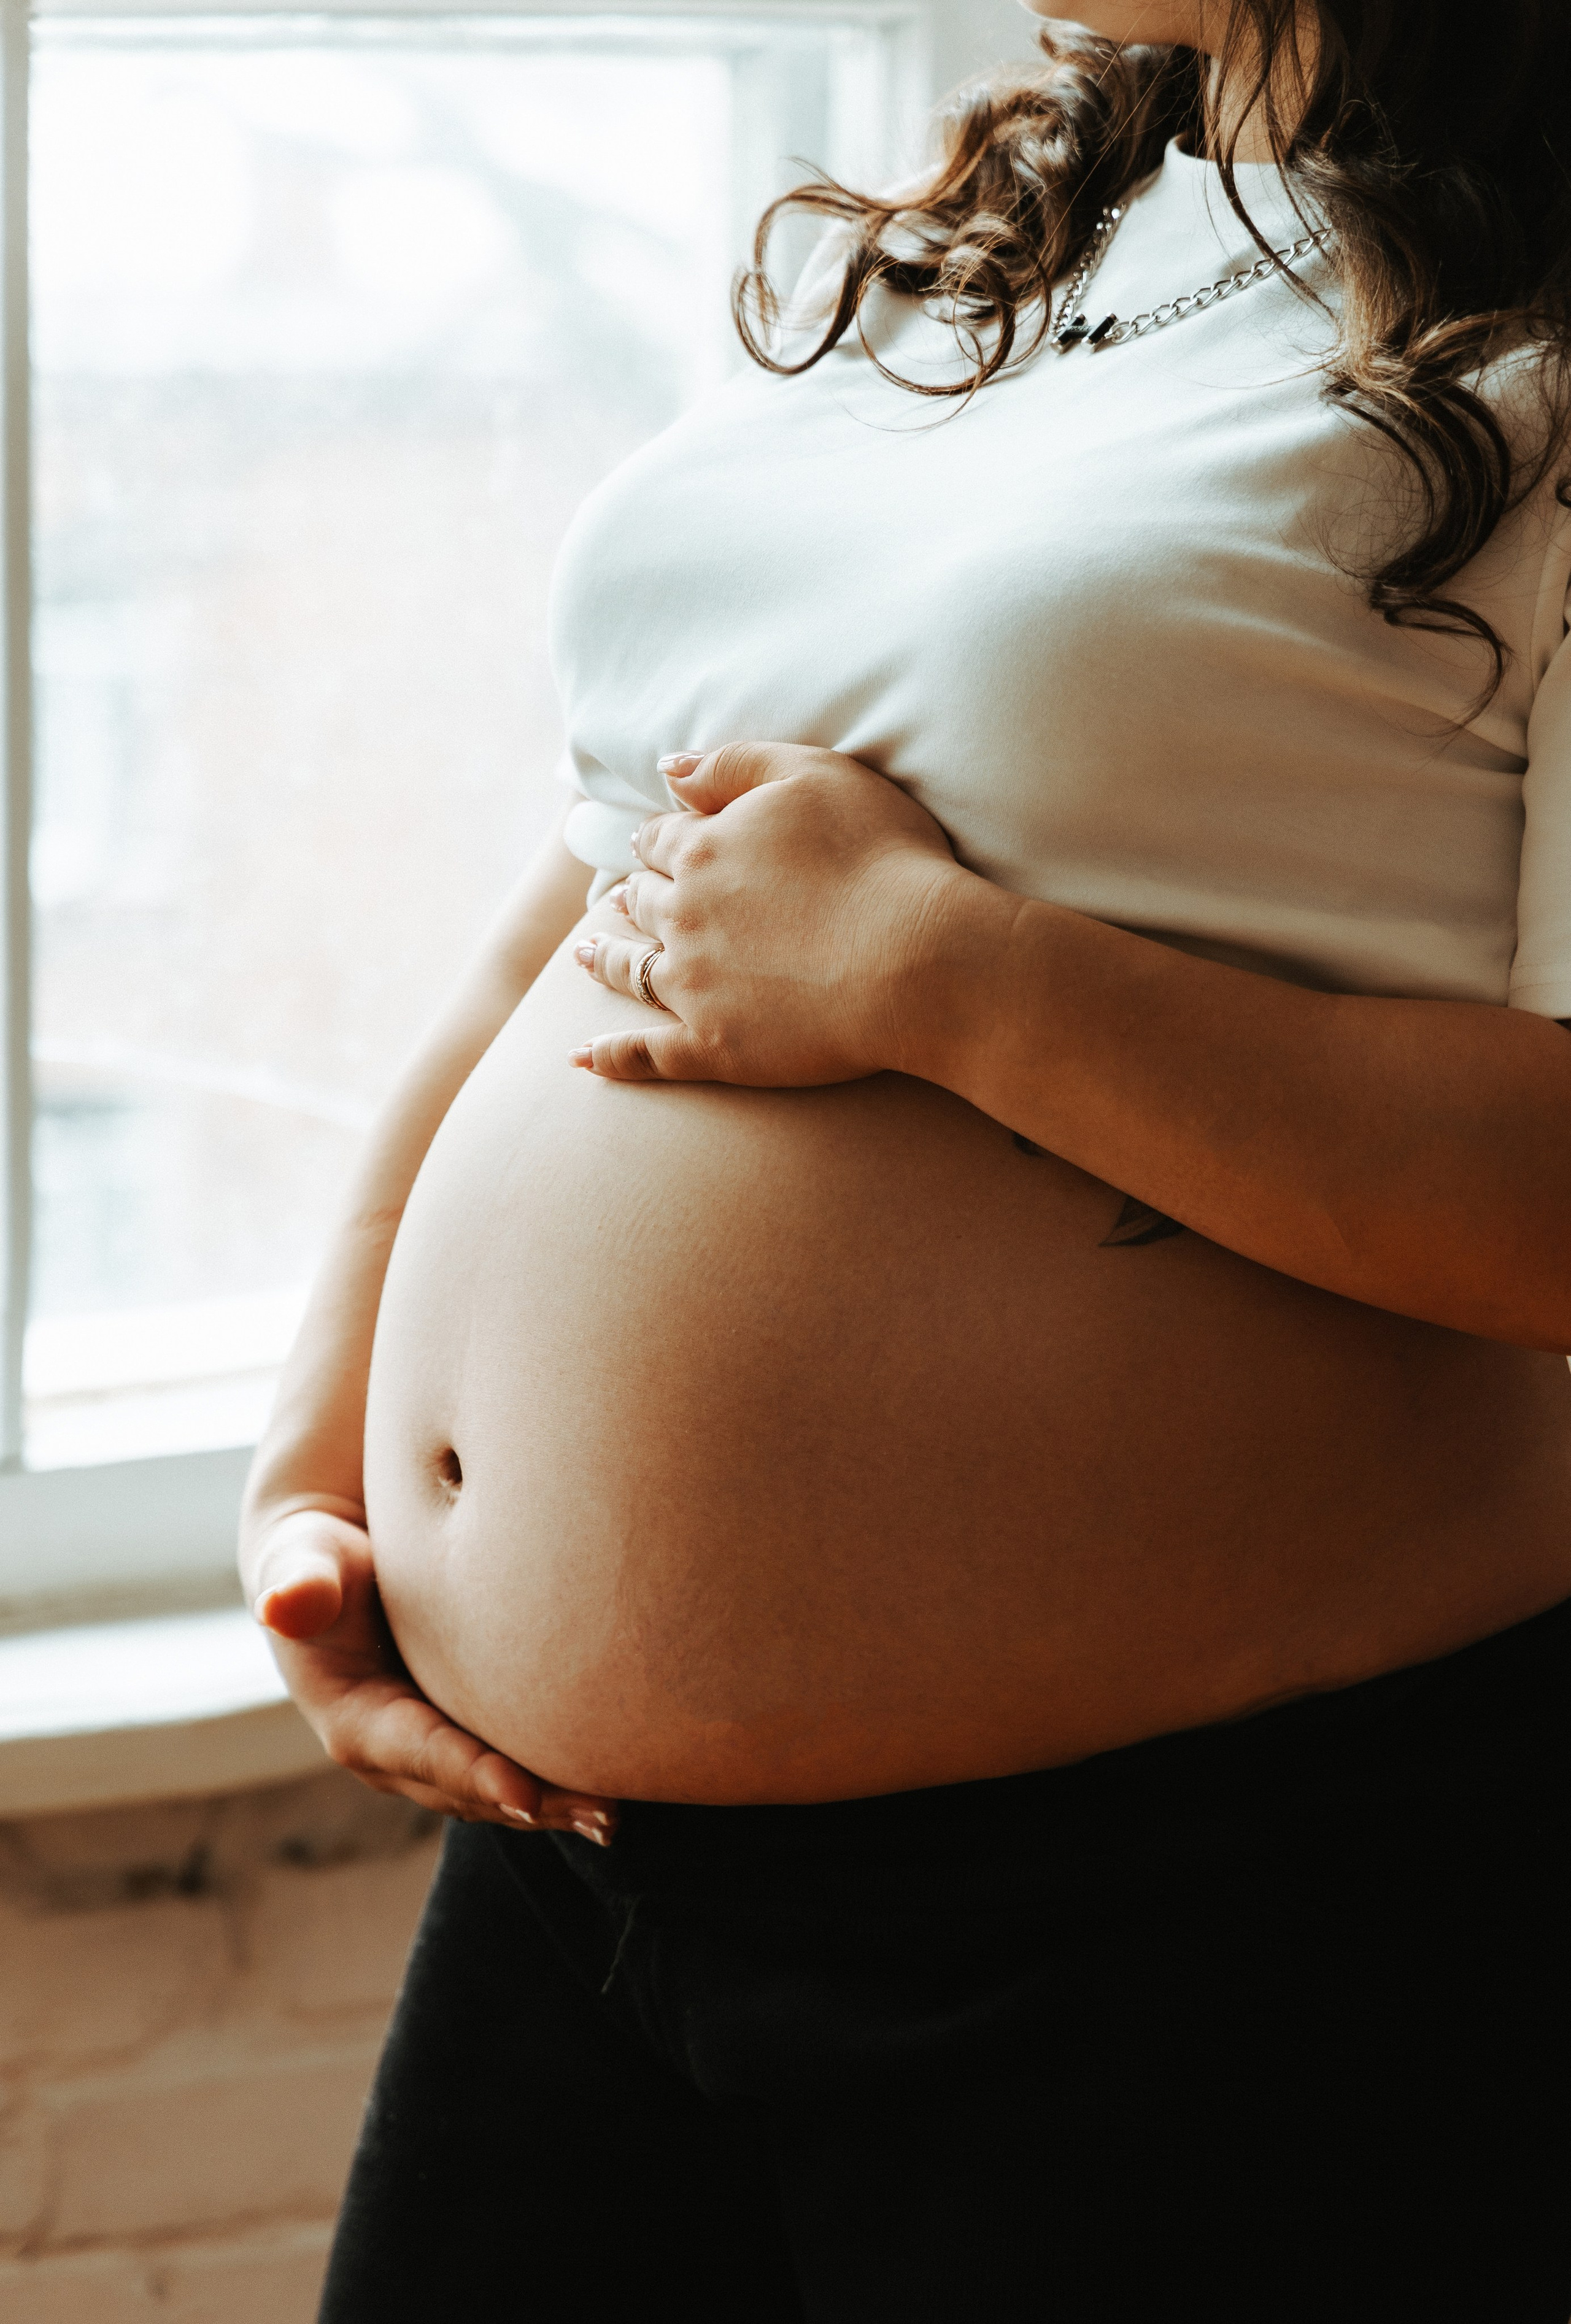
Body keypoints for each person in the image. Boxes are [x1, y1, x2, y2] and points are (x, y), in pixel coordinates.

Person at [241, 4, 1571, 2315]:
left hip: (1197, 1917)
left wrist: (953, 980)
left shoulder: (1531, 339)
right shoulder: (1021, 235)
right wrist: (328, 1458)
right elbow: (604, 895)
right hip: (578, 1883)